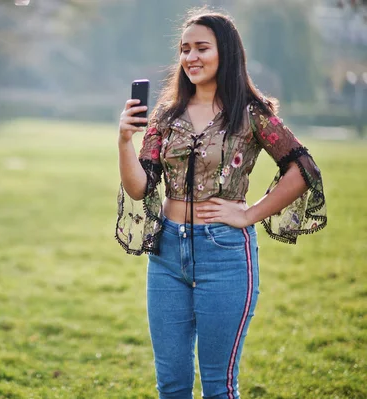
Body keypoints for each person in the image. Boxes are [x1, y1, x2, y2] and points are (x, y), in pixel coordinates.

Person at [115, 8, 327, 399]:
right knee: (171, 386)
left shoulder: (250, 113)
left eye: (201, 48)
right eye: (184, 49)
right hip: (166, 254)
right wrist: (125, 142)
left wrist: (248, 213)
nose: (190, 57)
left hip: (224, 254)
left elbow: (303, 169)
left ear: (225, 52)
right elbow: (140, 189)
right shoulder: (166, 115)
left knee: (218, 387)